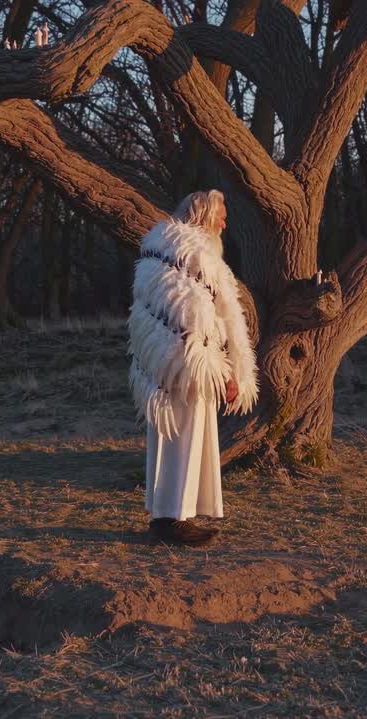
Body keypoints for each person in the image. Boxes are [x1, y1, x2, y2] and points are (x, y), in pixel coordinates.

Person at [126, 190, 259, 546]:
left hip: (164, 363)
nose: (225, 222)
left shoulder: (159, 250)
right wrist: (230, 371)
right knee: (182, 438)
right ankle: (173, 519)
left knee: (175, 439)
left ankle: (168, 515)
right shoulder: (197, 256)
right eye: (221, 215)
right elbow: (207, 318)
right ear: (203, 215)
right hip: (187, 364)